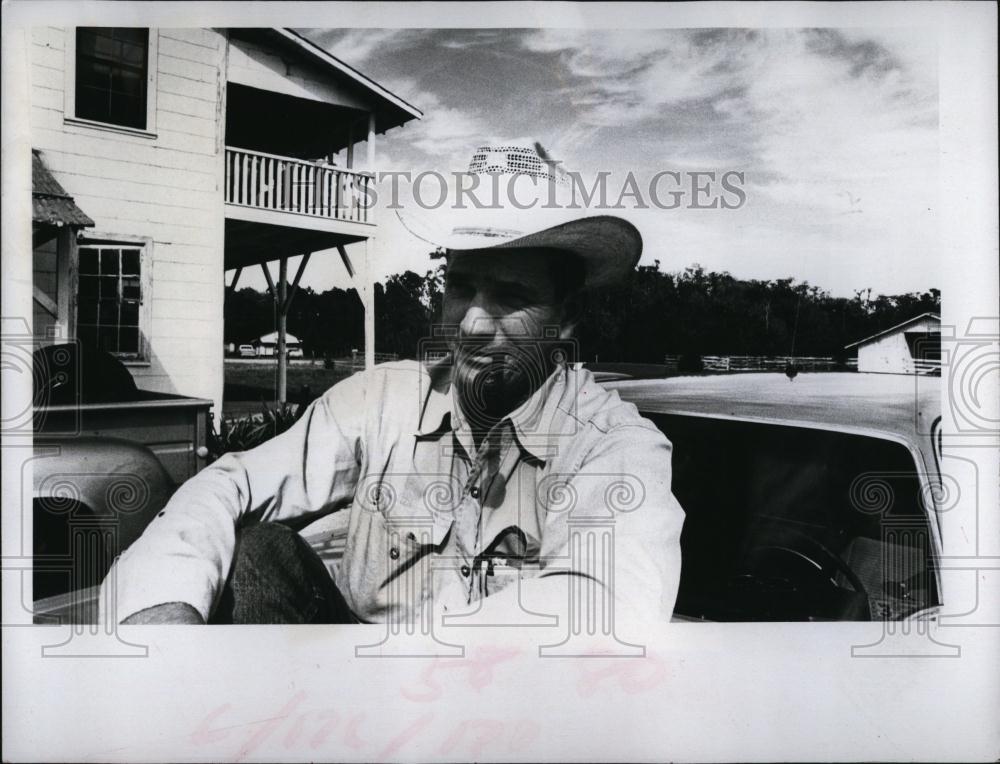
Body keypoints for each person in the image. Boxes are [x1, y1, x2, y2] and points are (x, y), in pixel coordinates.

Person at [103, 142, 685, 627]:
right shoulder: (383, 400)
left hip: (502, 710)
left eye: (511, 297)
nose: (473, 324)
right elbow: (231, 481)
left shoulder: (613, 447)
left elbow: (600, 611)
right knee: (257, 553)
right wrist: (164, 611)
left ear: (567, 319)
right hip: (347, 690)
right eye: (460, 288)